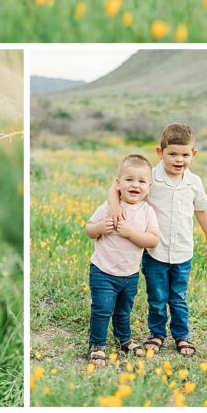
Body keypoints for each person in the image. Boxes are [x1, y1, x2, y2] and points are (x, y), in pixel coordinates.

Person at [107, 122, 207, 357]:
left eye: (185, 154)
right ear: (160, 152)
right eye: (173, 154)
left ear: (193, 154)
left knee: (178, 297)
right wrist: (114, 206)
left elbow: (201, 210)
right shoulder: (151, 177)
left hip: (183, 252)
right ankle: (156, 334)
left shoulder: (194, 182)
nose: (179, 160)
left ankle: (181, 336)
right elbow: (116, 187)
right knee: (156, 297)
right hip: (154, 251)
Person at [84, 153, 160, 365]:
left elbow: (153, 239)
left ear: (149, 187)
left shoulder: (147, 212)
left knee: (124, 309)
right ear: (118, 184)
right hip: (103, 271)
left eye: (142, 181)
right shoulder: (108, 207)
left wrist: (130, 233)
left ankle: (123, 339)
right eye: (129, 180)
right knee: (102, 309)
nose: (135, 185)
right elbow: (89, 229)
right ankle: (97, 344)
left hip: (130, 274)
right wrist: (99, 228)